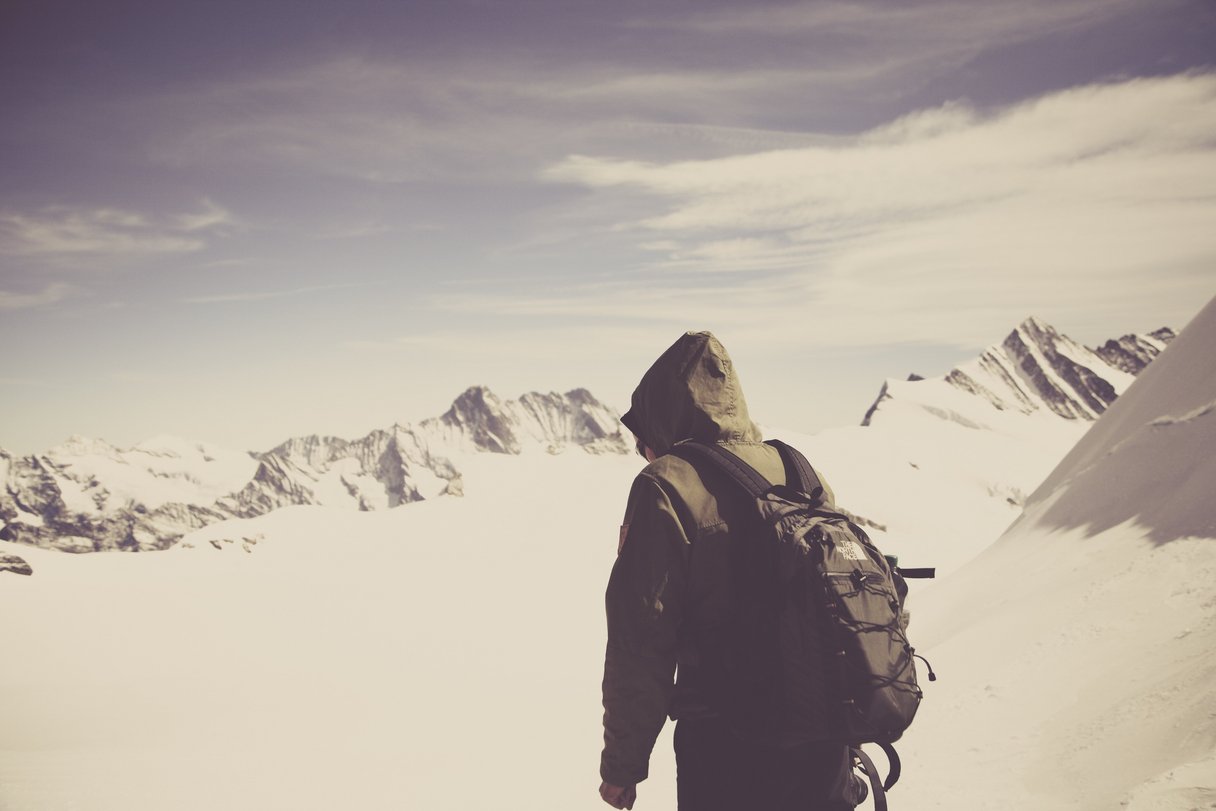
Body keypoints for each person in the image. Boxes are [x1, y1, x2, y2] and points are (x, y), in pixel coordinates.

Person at [598, 331, 856, 811]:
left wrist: (622, 766)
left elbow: (641, 640)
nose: (645, 453)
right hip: (826, 745)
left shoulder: (667, 484)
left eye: (643, 442)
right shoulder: (801, 470)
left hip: (728, 749)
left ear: (662, 420)